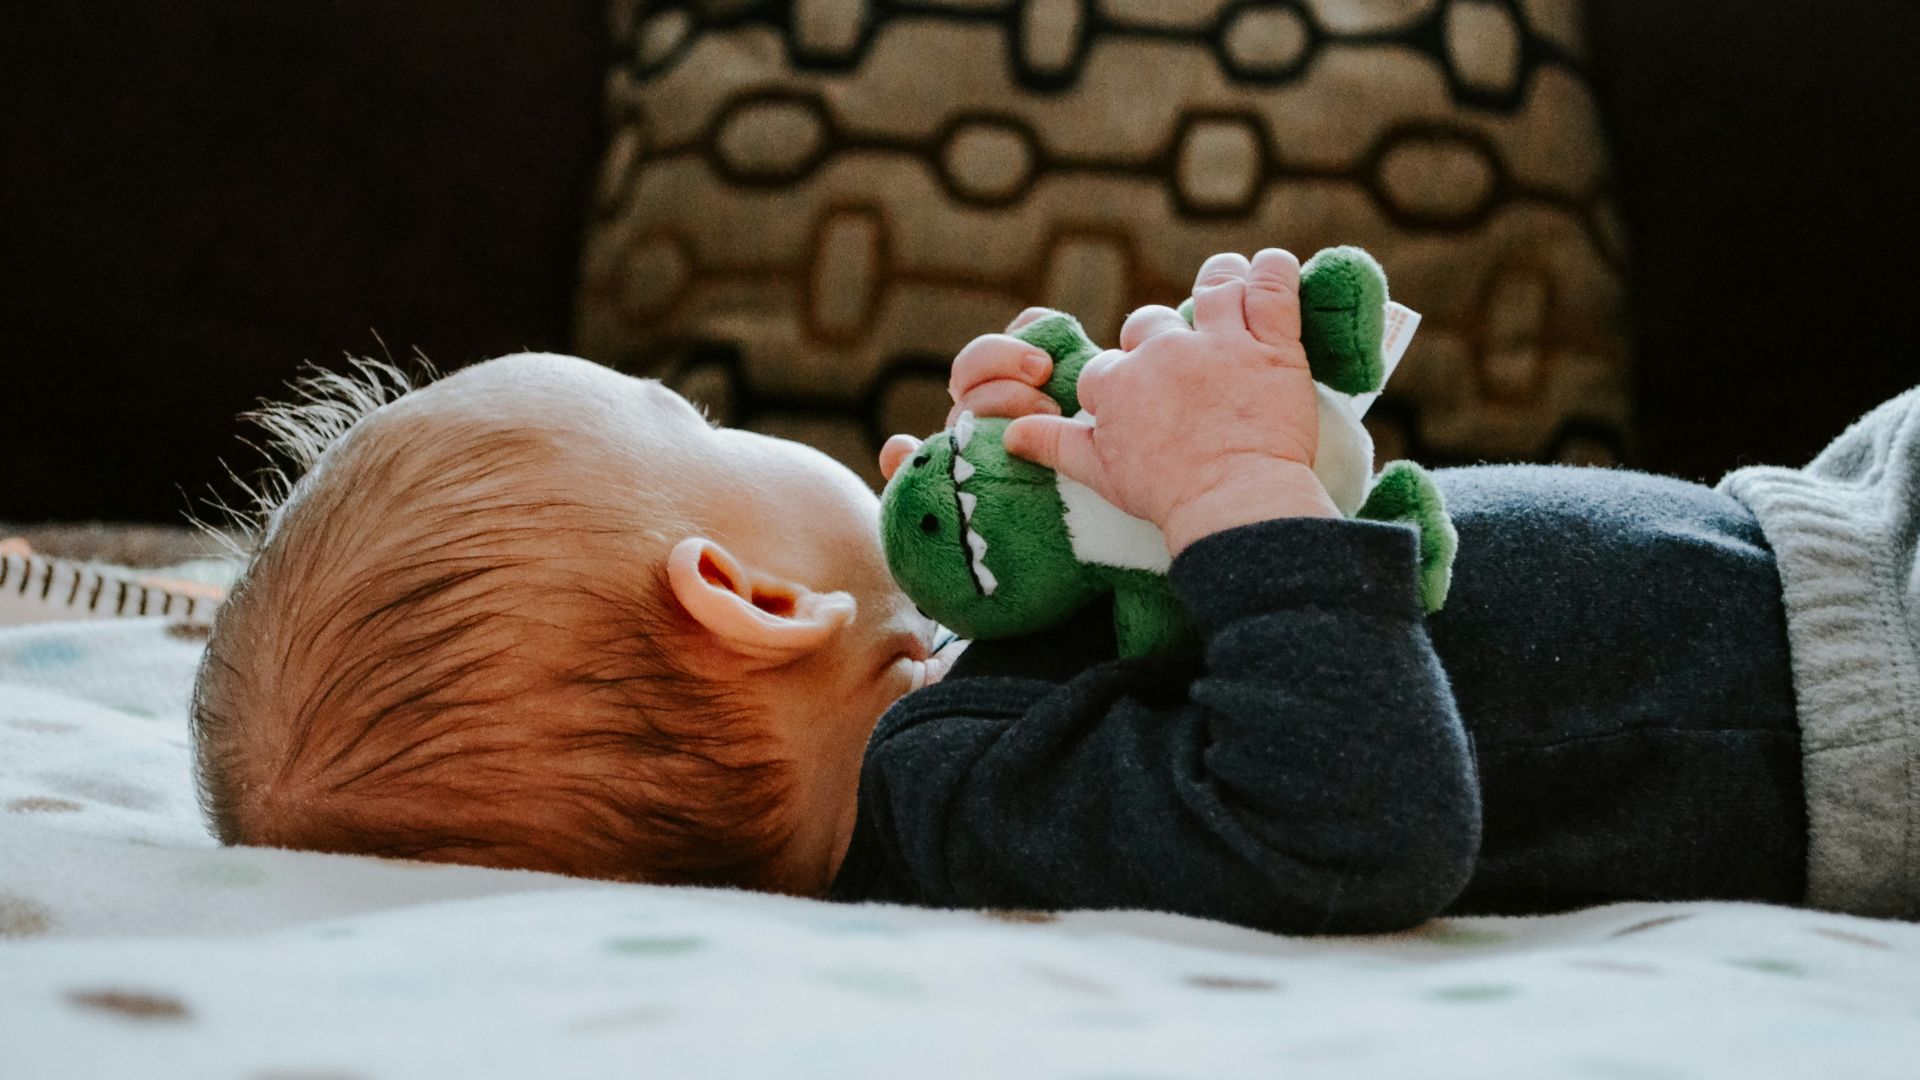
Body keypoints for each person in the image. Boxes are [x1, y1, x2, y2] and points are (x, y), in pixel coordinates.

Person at [190, 250, 1920, 933]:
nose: (745, 422)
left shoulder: (953, 712)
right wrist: (1239, 494)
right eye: (687, 420)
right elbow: (1355, 818)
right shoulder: (968, 814)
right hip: (1864, 693)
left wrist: (1098, 485)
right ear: (738, 596)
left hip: (1813, 537)